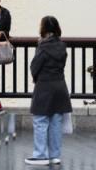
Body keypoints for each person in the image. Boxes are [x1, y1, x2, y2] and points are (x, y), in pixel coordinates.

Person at [26, 16, 71, 166]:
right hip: (60, 85)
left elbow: (34, 67)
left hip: (44, 86)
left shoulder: (43, 47)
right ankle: (55, 155)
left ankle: (40, 155)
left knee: (40, 120)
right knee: (56, 121)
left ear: (43, 29)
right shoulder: (62, 46)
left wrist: (36, 77)